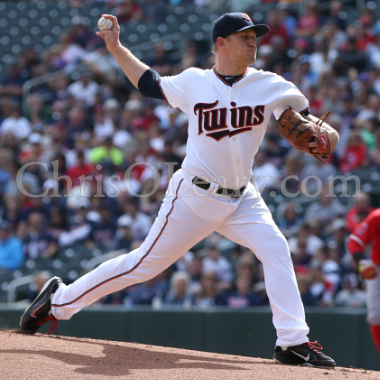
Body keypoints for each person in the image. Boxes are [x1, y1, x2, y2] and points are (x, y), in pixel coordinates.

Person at [20, 12, 339, 368]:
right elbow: (148, 83)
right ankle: (58, 301)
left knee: (276, 247)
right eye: (245, 36)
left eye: (255, 36)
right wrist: (116, 47)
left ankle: (291, 342)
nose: (254, 42)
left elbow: (322, 131)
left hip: (243, 197)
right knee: (142, 265)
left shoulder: (273, 86)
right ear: (221, 43)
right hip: (193, 196)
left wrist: (327, 138)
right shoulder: (195, 82)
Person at [347, 208, 380, 356]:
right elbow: (354, 242)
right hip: (378, 268)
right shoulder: (377, 216)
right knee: (376, 315)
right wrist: (361, 262)